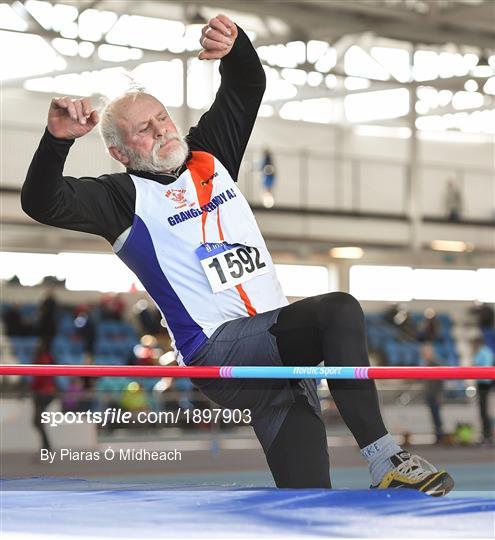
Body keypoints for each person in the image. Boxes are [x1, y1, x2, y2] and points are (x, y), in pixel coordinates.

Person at [21, 13, 453, 495]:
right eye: (144, 129)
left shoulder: (209, 154)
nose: (162, 130)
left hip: (280, 352)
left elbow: (247, 82)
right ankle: (384, 458)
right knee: (338, 310)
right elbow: (43, 202)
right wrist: (55, 142)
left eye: (162, 116)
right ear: (121, 152)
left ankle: (334, 497)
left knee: (308, 500)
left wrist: (236, 43)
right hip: (220, 348)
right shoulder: (119, 198)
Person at [31, 340, 57, 450]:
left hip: (43, 394)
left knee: (37, 421)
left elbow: (40, 378)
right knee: (37, 421)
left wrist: (32, 387)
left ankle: (46, 446)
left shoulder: (44, 358)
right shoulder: (43, 358)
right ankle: (46, 446)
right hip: (42, 393)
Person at [471, 337, 494, 445]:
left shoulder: (485, 352)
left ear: (478, 343)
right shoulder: (480, 352)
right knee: (482, 411)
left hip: (485, 384)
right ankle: (486, 435)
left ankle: (488, 436)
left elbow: (486, 370)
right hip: (482, 384)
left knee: (485, 412)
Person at [420, 344, 445, 444]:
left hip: (435, 394)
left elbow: (441, 380)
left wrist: (439, 394)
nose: (424, 354)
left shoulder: (435, 362)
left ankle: (440, 436)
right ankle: (438, 436)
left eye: (425, 352)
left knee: (437, 415)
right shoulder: (426, 362)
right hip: (430, 393)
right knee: (433, 415)